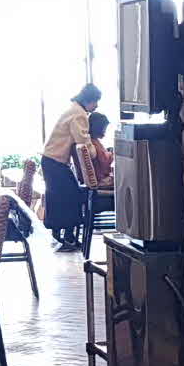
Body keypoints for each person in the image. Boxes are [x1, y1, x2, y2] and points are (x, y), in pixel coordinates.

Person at [39, 83, 100, 250]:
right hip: (55, 161)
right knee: (71, 197)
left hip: (51, 159)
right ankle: (67, 237)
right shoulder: (79, 115)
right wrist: (94, 152)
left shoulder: (73, 110)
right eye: (95, 101)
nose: (96, 105)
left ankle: (63, 236)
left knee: (59, 198)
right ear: (89, 100)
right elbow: (83, 141)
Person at [82, 111, 115, 190]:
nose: (105, 131)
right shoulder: (94, 144)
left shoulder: (91, 141)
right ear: (98, 128)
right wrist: (112, 155)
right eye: (104, 128)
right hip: (102, 180)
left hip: (99, 177)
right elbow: (105, 165)